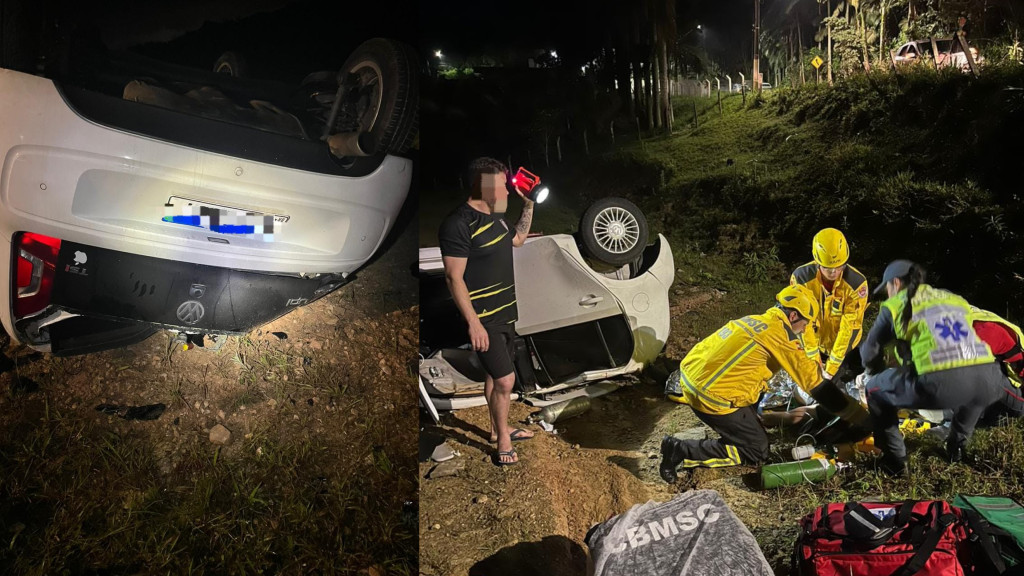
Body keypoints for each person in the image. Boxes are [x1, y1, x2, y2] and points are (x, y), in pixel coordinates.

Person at [659, 285, 870, 482]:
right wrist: (859, 416)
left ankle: (744, 424)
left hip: (691, 377)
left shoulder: (757, 320)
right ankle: (681, 449)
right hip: (710, 395)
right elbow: (817, 386)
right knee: (757, 451)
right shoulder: (781, 337)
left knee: (757, 388)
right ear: (793, 315)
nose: (804, 330)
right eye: (805, 324)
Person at [860, 260, 1006, 475]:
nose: (888, 294)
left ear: (896, 283)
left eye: (888, 289)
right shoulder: (955, 300)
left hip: (944, 381)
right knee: (970, 392)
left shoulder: (896, 304)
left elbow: (869, 352)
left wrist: (874, 370)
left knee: (874, 389)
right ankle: (956, 450)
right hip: (989, 380)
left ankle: (895, 461)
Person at [438, 157, 537, 466]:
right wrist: (474, 324)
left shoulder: (496, 217)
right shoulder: (458, 223)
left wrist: (529, 207)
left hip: (507, 313)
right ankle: (503, 444)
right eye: (501, 185)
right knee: (506, 380)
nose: (507, 190)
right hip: (484, 319)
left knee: (495, 376)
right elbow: (453, 277)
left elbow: (518, 240)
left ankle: (498, 430)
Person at [790, 228, 869, 383]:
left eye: (839, 266)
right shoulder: (801, 279)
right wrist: (814, 360)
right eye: (827, 267)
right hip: (816, 341)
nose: (833, 272)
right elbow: (803, 323)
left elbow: (849, 328)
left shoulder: (857, 285)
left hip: (846, 346)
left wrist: (831, 369)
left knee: (851, 383)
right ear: (817, 262)